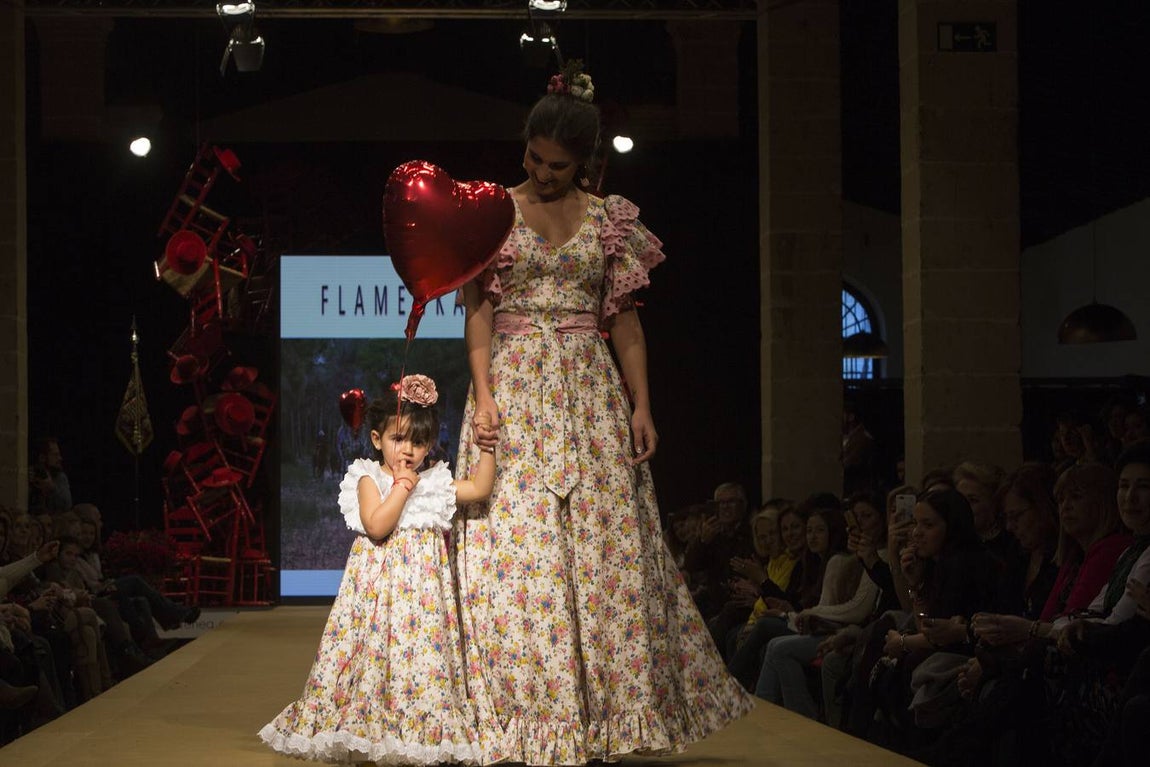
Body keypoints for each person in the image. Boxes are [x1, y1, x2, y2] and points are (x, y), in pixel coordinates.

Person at [452, 62, 753, 764]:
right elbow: (478, 315)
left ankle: (610, 711)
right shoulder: (495, 211)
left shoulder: (610, 220)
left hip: (591, 396)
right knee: (518, 550)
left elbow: (624, 323)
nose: (543, 172)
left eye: (558, 164)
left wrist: (643, 402)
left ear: (585, 160)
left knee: (603, 549)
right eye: (534, 156)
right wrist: (486, 392)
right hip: (518, 390)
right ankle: (524, 706)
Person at [260, 375, 506, 765]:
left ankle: (417, 730)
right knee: (373, 660)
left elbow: (478, 489)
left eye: (419, 442)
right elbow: (376, 525)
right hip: (376, 598)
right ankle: (369, 727)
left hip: (421, 601)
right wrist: (402, 488)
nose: (408, 450)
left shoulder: (435, 481)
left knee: (420, 660)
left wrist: (487, 448)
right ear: (378, 439)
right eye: (399, 439)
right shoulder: (368, 477)